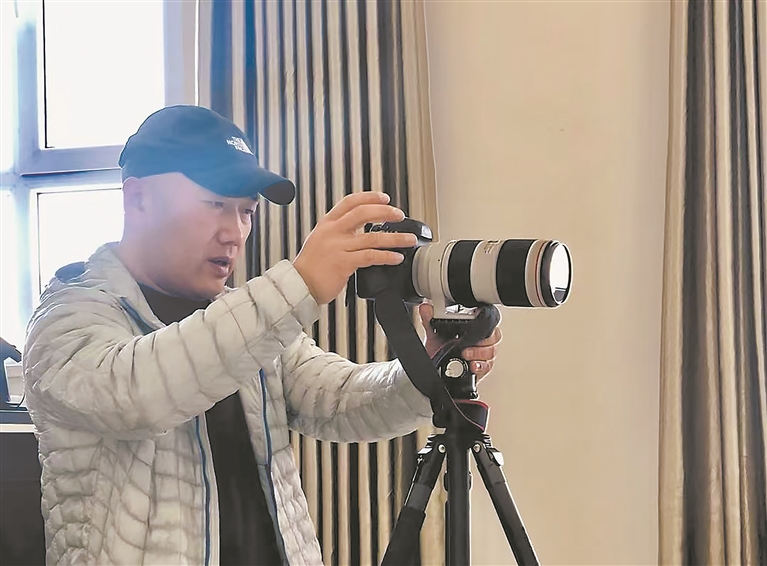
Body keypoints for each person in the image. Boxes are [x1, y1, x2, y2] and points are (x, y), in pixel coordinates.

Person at [23, 105, 502, 565]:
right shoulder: (70, 313)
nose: (234, 233)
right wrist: (300, 283)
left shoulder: (242, 318)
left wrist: (426, 367)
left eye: (246, 212)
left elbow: (339, 399)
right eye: (215, 205)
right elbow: (135, 394)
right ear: (138, 199)